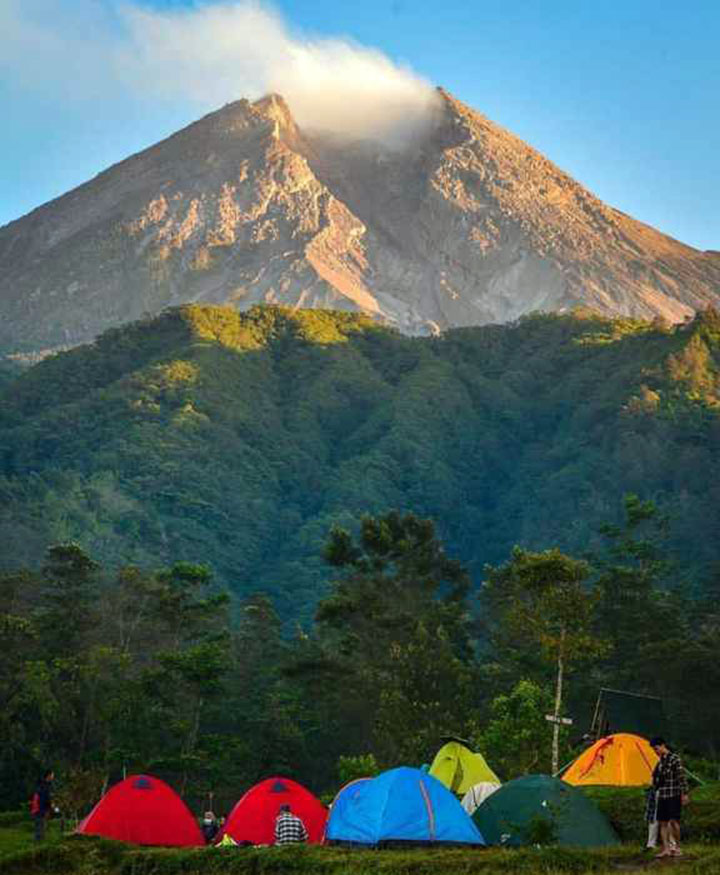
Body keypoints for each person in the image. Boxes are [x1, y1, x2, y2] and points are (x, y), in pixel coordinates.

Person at [649, 737, 689, 858]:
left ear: (662, 745)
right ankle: (666, 849)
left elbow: (681, 777)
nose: (655, 751)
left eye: (656, 749)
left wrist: (685, 793)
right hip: (662, 795)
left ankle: (677, 847)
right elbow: (657, 779)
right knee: (663, 822)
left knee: (674, 821)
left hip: (674, 794)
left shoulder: (674, 759)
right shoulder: (660, 761)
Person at [30, 769, 54, 841]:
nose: (53, 777)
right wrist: (49, 807)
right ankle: (38, 844)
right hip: (40, 809)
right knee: (40, 827)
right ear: (48, 776)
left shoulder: (42, 785)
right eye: (52, 775)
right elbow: (45, 799)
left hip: (38, 809)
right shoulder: (44, 786)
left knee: (40, 827)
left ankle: (38, 843)